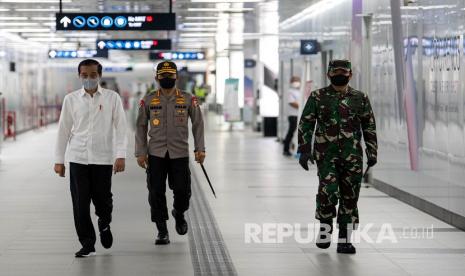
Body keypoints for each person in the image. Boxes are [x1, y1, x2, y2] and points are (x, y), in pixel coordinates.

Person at [297, 59, 377, 254]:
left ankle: (344, 240)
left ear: (350, 75)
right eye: (335, 72)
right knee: (327, 192)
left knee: (350, 197)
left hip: (352, 157)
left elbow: (369, 126)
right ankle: (325, 232)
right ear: (329, 75)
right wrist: (304, 149)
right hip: (326, 156)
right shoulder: (318, 96)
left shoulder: (360, 98)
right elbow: (306, 123)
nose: (339, 75)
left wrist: (372, 151)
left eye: (343, 72)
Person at [53, 59, 128, 258]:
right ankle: (87, 243)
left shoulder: (112, 98)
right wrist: (59, 159)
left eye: (93, 75)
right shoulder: (71, 100)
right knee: (80, 204)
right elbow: (63, 130)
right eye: (84, 76)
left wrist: (121, 155)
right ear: (80, 76)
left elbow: (121, 128)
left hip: (103, 159)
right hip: (78, 158)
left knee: (103, 201)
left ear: (99, 76)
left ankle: (104, 222)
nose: (88, 79)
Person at [135, 61, 206, 245]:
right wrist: (140, 152)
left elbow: (198, 125)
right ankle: (162, 230)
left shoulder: (188, 99)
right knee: (156, 192)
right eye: (163, 75)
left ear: (176, 77)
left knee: (183, 191)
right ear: (157, 77)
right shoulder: (149, 99)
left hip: (179, 153)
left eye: (170, 75)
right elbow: (141, 126)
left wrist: (200, 149)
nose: (166, 78)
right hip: (156, 154)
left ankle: (179, 211)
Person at [283, 76, 301, 156]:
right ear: (291, 82)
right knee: (291, 132)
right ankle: (286, 149)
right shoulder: (290, 91)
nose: (296, 82)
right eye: (294, 80)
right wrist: (302, 107)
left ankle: (296, 149)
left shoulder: (299, 91)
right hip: (293, 115)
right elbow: (291, 102)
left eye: (297, 80)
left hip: (299, 115)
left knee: (298, 133)